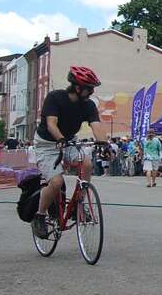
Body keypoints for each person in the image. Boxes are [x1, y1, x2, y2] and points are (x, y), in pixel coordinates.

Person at [32, 66, 108, 239]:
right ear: (78, 87)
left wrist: (104, 144)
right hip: (47, 144)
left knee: (87, 163)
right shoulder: (55, 98)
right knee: (57, 182)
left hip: (68, 142)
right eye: (89, 88)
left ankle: (78, 203)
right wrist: (59, 139)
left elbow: (96, 125)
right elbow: (51, 123)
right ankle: (40, 215)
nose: (92, 91)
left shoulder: (88, 105)